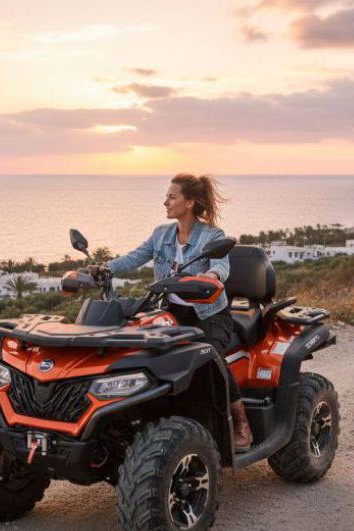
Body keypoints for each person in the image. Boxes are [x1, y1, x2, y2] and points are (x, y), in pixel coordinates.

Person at [102, 173, 252, 452]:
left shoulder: (212, 236)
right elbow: (135, 257)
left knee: (210, 356)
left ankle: (241, 420)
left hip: (208, 315)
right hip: (171, 314)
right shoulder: (161, 234)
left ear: (190, 202)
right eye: (166, 197)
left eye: (172, 197)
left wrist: (210, 276)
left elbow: (221, 267)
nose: (165, 202)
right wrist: (104, 268)